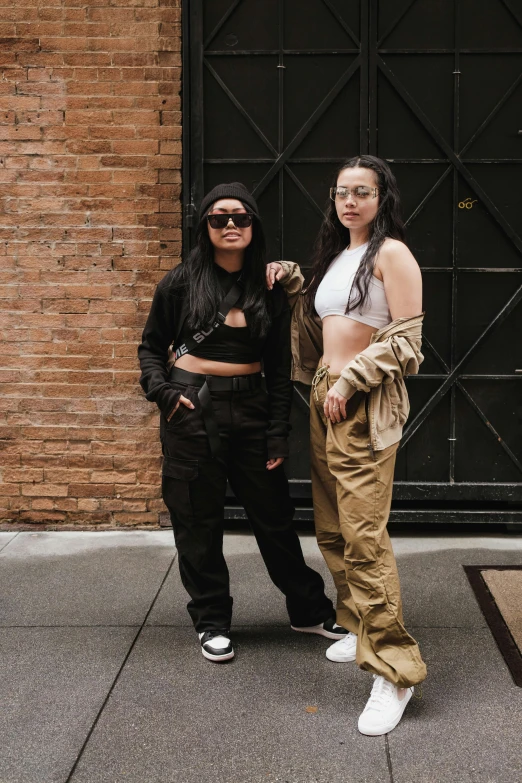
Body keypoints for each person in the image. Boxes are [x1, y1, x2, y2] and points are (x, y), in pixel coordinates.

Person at [138, 182, 343, 663]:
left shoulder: (267, 287)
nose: (230, 225)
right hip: (192, 411)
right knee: (196, 520)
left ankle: (308, 610)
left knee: (274, 519)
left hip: (252, 410)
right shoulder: (179, 283)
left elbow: (277, 369)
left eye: (241, 217)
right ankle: (211, 621)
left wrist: (277, 432)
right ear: (204, 227)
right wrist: (165, 394)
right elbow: (151, 349)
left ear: (254, 225)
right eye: (218, 218)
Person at [266, 156, 427, 735]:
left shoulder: (392, 254)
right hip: (326, 398)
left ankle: (396, 672)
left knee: (363, 535)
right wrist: (293, 286)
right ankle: (359, 624)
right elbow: (324, 331)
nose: (350, 202)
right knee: (332, 527)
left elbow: (409, 342)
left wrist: (354, 380)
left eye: (362, 192)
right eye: (341, 193)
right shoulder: (339, 257)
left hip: (360, 403)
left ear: (384, 198)